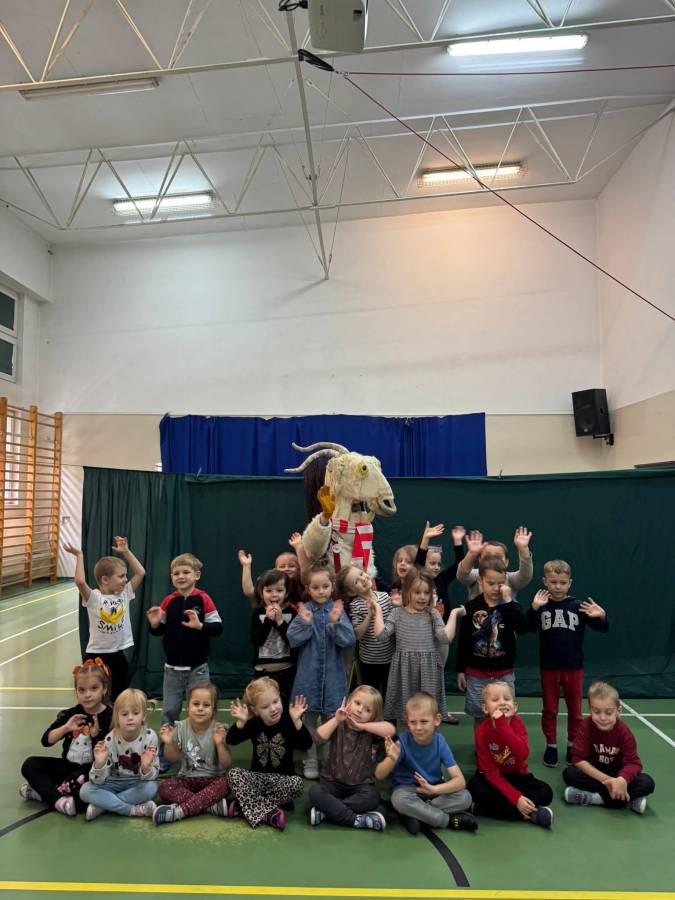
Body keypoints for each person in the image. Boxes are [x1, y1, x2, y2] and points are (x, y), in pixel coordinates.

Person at [525, 560, 609, 766]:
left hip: (574, 668)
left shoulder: (578, 606)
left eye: (562, 583)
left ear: (569, 583)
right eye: (553, 582)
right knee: (550, 710)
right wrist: (533, 608)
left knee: (575, 711)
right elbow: (526, 627)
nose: (558, 587)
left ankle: (573, 745)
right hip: (549, 668)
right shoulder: (542, 605)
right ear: (545, 581)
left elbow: (602, 628)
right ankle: (551, 745)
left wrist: (602, 616)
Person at [146, 553, 223, 768]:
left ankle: (204, 754)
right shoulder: (169, 601)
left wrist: (200, 626)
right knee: (169, 713)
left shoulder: (203, 599)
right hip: (172, 670)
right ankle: (165, 755)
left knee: (201, 712)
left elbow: (218, 627)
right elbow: (158, 631)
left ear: (196, 575)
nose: (180, 576)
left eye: (185, 572)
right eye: (176, 573)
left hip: (198, 670)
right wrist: (154, 624)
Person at [287, 563, 356, 779]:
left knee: (331, 719)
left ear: (332, 586)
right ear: (308, 588)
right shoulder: (305, 611)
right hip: (308, 676)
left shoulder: (337, 610)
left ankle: (327, 759)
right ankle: (311, 759)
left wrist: (335, 623)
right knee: (307, 719)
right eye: (315, 587)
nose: (321, 591)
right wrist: (306, 624)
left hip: (333, 677)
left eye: (325, 586)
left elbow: (349, 640)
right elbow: (292, 639)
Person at [19, 658, 113, 816]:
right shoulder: (71, 714)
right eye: (81, 690)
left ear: (104, 689)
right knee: (30, 764)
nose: (87, 695)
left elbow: (110, 756)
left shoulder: (111, 717)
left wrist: (96, 736)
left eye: (94, 688)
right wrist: (66, 728)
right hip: (67, 768)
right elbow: (46, 741)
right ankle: (60, 801)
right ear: (76, 692)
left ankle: (44, 794)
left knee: (82, 780)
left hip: (91, 772)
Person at [376, 692, 476, 835]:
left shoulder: (440, 742)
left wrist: (434, 790)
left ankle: (417, 815)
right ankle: (447, 820)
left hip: (434, 791)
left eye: (424, 721)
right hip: (408, 791)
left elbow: (460, 781)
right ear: (407, 721)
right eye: (413, 722)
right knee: (399, 800)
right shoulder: (402, 743)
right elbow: (379, 775)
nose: (418, 727)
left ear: (437, 720)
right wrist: (391, 758)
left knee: (465, 797)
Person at [373, 569, 465, 725]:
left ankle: (427, 739)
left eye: (426, 593)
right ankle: (405, 739)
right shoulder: (397, 613)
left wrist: (454, 613)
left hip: (427, 672)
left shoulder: (433, 614)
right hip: (404, 673)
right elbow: (381, 635)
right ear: (407, 592)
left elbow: (446, 637)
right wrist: (377, 610)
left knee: (427, 714)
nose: (422, 597)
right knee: (406, 716)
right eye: (417, 592)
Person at [65, 537, 145, 700]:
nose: (125, 580)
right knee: (96, 698)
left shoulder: (124, 594)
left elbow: (140, 572)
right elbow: (80, 581)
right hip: (97, 657)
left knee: (119, 697)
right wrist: (79, 555)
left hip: (118, 655)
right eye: (121, 576)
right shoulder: (94, 598)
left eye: (125, 576)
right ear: (105, 579)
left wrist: (126, 552)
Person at [226, 676, 311, 830]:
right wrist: (241, 722)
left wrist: (297, 721)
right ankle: (268, 812)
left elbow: (307, 744)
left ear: (280, 698)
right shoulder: (253, 723)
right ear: (255, 710)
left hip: (283, 780)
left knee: (297, 784)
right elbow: (231, 740)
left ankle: (245, 805)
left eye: (276, 702)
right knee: (233, 774)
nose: (273, 709)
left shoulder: (289, 721)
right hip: (257, 779)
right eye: (265, 707)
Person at [468, 680, 553, 828]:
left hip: (516, 775)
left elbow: (521, 755)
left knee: (545, 792)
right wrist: (517, 799)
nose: (502, 702)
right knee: (474, 788)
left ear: (515, 706)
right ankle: (530, 814)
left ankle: (482, 810)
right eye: (495, 700)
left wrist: (502, 725)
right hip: (492, 778)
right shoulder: (481, 731)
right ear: (485, 708)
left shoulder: (518, 724)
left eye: (507, 699)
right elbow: (490, 771)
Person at [309, 686, 394, 831]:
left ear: (373, 716)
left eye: (367, 710)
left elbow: (391, 730)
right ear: (348, 702)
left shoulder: (371, 730)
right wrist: (336, 720)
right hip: (331, 782)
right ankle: (356, 820)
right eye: (357, 703)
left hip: (359, 786)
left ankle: (328, 811)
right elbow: (317, 738)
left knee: (373, 797)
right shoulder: (338, 721)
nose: (360, 710)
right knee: (315, 791)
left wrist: (364, 726)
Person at [562, 681, 655, 814]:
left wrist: (621, 780)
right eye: (596, 712)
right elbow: (577, 759)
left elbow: (633, 763)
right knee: (570, 774)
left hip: (619, 773)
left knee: (647, 782)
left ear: (618, 711)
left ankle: (594, 798)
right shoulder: (585, 726)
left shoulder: (624, 733)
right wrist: (608, 781)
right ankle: (628, 800)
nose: (602, 717)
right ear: (590, 710)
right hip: (596, 773)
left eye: (609, 712)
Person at [455, 558, 527, 728]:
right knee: (479, 714)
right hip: (476, 673)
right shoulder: (471, 607)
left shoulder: (510, 606)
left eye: (500, 583)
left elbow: (522, 627)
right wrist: (460, 669)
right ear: (480, 581)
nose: (496, 588)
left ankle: (504, 743)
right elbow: (463, 639)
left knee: (506, 714)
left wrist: (509, 601)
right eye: (491, 583)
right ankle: (482, 743)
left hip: (504, 672)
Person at [153, 682, 231, 824]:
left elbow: (226, 763)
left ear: (213, 709)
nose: (200, 708)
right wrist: (170, 743)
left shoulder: (219, 729)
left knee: (226, 783)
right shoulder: (181, 727)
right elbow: (172, 758)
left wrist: (220, 744)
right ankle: (210, 807)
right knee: (164, 786)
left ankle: (181, 811)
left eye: (206, 705)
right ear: (188, 707)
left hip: (213, 780)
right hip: (187, 779)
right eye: (196, 704)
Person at [414, 521, 467, 725]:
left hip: (441, 635)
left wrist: (457, 542)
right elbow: (418, 563)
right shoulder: (418, 580)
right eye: (432, 563)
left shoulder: (442, 579)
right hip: (422, 637)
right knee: (421, 677)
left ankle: (440, 712)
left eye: (438, 563)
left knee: (438, 675)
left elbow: (460, 565)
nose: (436, 567)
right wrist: (426, 539)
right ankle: (420, 712)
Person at [79, 688, 158, 820]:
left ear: (143, 716)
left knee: (151, 788)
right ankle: (132, 810)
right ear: (117, 717)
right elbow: (97, 780)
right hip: (113, 782)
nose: (130, 718)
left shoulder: (150, 737)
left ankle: (104, 806)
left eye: (135, 713)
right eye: (125, 714)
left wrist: (145, 768)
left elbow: (153, 775)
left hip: (136, 782)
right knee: (85, 790)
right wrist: (99, 764)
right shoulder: (110, 739)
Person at [337, 564, 393, 700]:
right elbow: (358, 635)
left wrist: (396, 605)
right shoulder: (356, 605)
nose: (362, 579)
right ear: (351, 592)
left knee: (389, 695)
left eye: (361, 574)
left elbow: (393, 624)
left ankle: (388, 715)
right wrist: (369, 615)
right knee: (371, 697)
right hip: (369, 661)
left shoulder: (385, 597)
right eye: (356, 581)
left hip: (390, 658)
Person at [250, 568, 298, 702]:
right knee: (264, 705)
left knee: (285, 705)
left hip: (286, 671)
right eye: (269, 590)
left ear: (286, 593)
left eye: (279, 590)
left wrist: (280, 621)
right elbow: (256, 641)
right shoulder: (258, 612)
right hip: (263, 672)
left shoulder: (292, 613)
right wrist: (268, 620)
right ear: (261, 593)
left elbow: (293, 642)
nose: (274, 594)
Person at [456, 527, 533, 601]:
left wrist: (523, 549)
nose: (493, 560)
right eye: (487, 556)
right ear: (480, 560)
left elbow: (525, 576)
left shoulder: (510, 578)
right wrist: (472, 553)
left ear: (506, 562)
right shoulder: (477, 575)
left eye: (498, 557)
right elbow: (462, 575)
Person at [238, 543, 304, 608]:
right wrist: (246, 566)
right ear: (275, 570)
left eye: (291, 566)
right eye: (282, 566)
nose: (287, 569)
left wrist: (298, 547)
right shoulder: (268, 580)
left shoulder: (303, 581)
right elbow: (249, 592)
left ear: (299, 569)